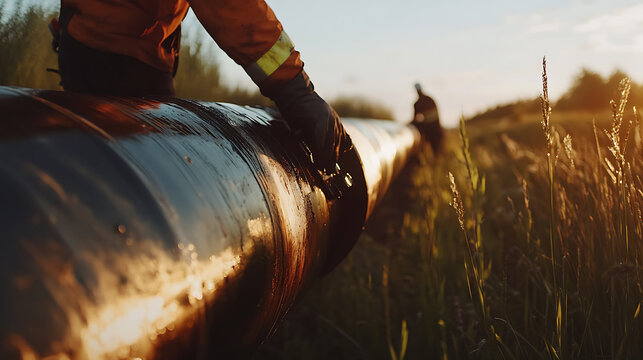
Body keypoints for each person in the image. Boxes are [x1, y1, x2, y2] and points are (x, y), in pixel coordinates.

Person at [50, 0, 352, 174]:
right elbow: (232, 9)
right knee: (137, 185)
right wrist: (295, 88)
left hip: (87, 44)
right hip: (122, 60)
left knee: (92, 174)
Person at [411, 83, 443, 154]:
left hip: (432, 130)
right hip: (433, 130)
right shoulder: (427, 100)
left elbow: (416, 119)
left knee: (437, 150)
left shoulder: (419, 103)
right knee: (436, 151)